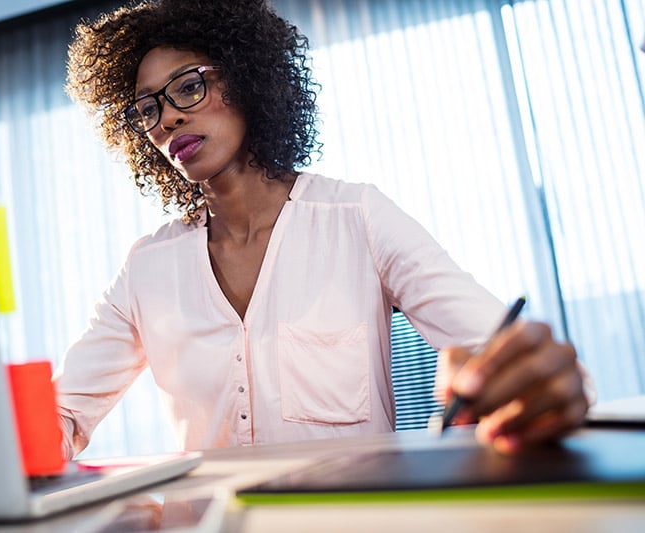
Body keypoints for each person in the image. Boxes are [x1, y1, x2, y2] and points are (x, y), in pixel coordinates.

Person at [55, 0, 588, 459]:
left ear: (244, 77)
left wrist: (527, 383)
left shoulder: (357, 216)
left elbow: (498, 351)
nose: (167, 119)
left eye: (188, 87)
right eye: (147, 108)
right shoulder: (147, 267)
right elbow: (62, 417)